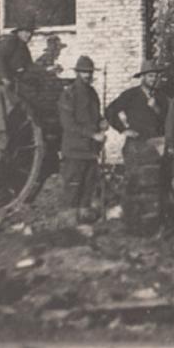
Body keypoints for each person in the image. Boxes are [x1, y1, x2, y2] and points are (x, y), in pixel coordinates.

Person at [58, 56, 106, 224]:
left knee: (88, 186)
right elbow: (68, 124)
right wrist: (92, 135)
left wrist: (102, 122)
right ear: (77, 73)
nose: (87, 75)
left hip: (91, 150)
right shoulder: (69, 94)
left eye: (89, 72)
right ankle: (69, 222)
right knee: (73, 186)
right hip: (75, 149)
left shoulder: (92, 93)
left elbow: (95, 116)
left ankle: (84, 221)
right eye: (84, 72)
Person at [104, 59, 169, 143]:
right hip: (136, 145)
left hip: (156, 144)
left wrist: (156, 108)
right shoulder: (130, 95)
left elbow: (169, 119)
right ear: (142, 77)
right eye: (150, 76)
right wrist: (123, 130)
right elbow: (110, 111)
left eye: (156, 76)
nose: (153, 79)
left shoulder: (162, 97)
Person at [0, 21, 35, 91]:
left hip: (11, 79)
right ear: (19, 32)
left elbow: (29, 64)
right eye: (26, 32)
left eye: (31, 32)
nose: (29, 35)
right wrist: (4, 77)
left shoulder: (23, 47)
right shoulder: (11, 41)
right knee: (9, 99)